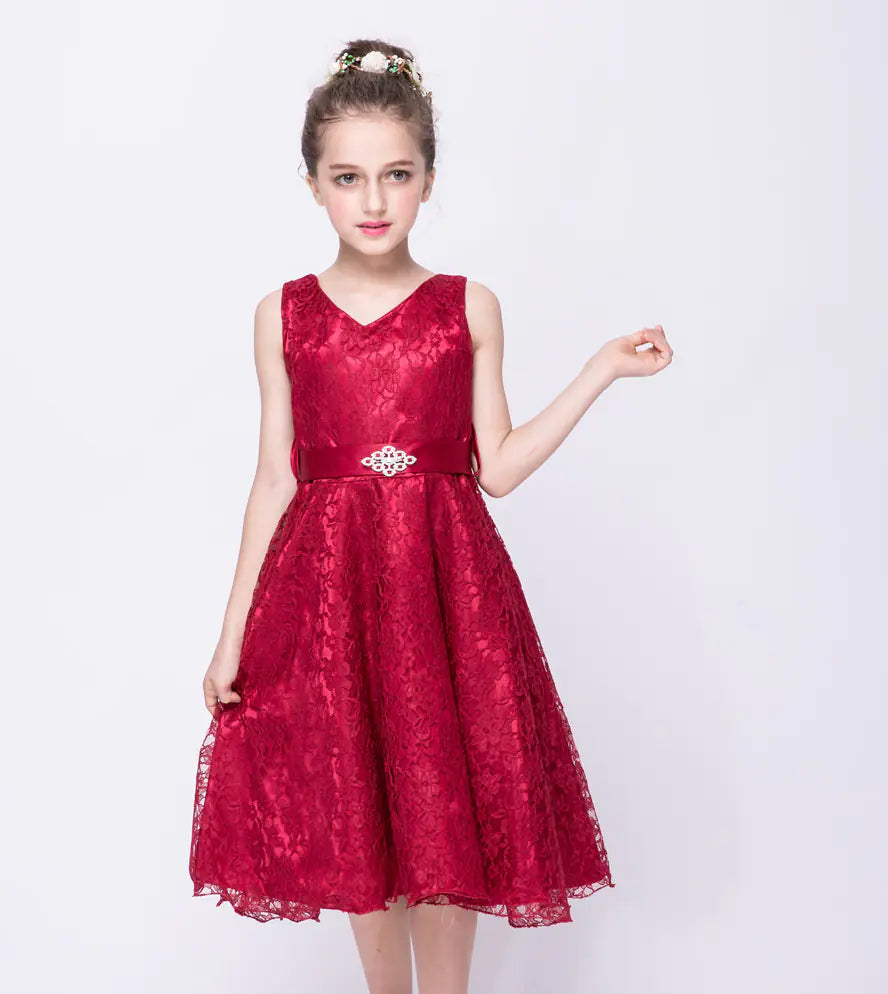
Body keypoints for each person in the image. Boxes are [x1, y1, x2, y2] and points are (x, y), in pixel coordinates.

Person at [189, 37, 673, 994]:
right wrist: (231, 633)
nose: (373, 200)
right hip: (330, 596)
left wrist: (601, 370)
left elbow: (499, 468)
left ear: (429, 180)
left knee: (444, 803)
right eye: (348, 177)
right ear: (314, 184)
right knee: (358, 807)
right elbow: (274, 479)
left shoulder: (467, 307)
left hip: (446, 591)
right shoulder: (283, 315)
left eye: (396, 175)